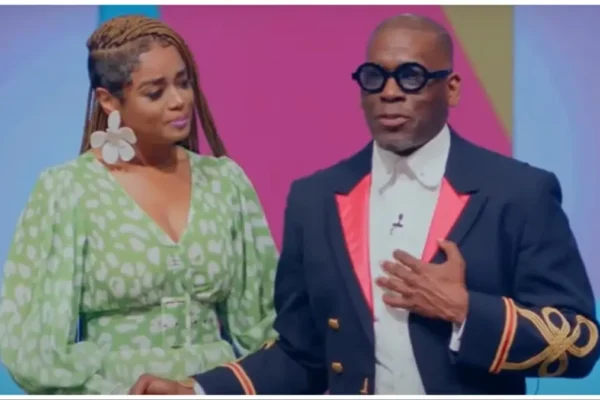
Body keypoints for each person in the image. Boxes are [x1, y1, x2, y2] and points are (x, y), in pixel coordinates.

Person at [129, 14, 600, 395]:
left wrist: (466, 311)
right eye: (375, 77)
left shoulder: (518, 192)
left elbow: (582, 344)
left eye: (411, 77)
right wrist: (199, 390)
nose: (389, 92)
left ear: (452, 87)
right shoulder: (315, 199)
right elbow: (302, 355)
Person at [0, 15, 279, 394]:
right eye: (155, 92)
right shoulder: (68, 190)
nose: (179, 101)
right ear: (109, 100)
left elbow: (265, 325)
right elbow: (32, 346)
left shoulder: (225, 182)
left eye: (184, 82)